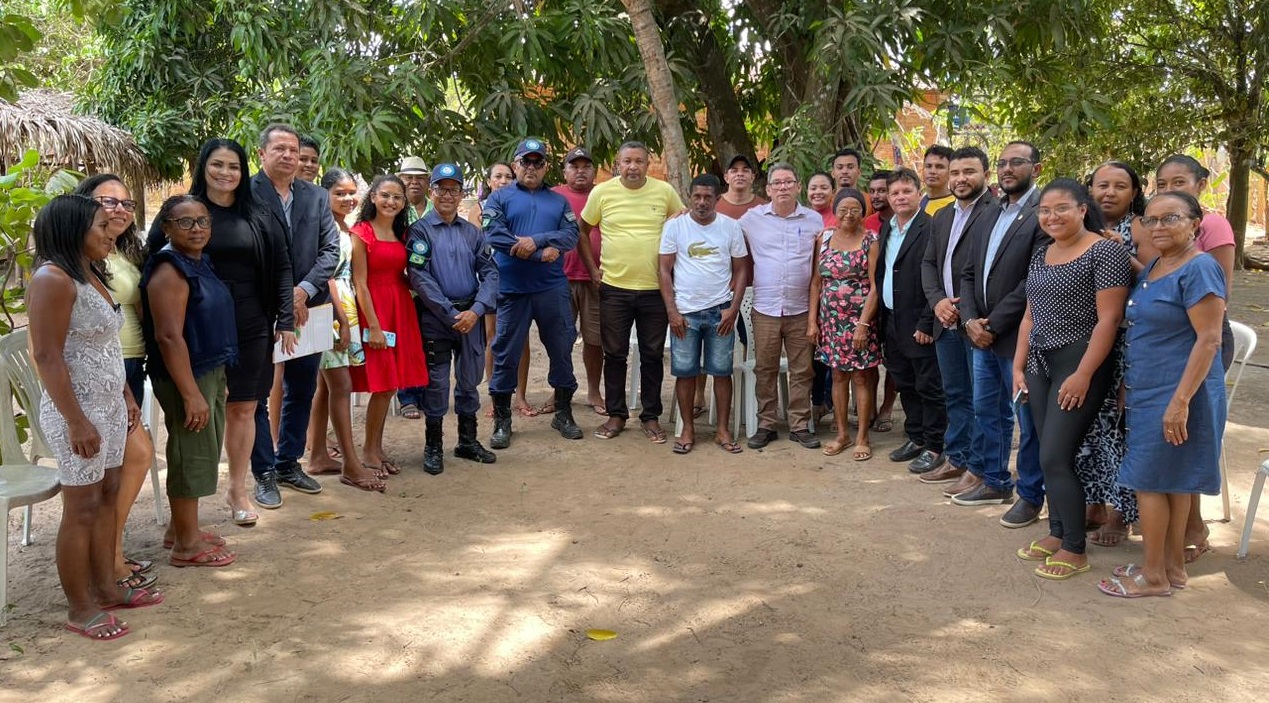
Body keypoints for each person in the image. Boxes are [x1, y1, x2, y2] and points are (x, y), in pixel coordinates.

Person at [28, 195, 161, 641]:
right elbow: (46, 356)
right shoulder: (53, 278)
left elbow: (106, 347)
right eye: (102, 226)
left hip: (107, 405)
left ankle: (106, 586)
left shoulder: (89, 272)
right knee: (81, 507)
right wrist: (76, 421)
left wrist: (126, 396)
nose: (111, 234)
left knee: (107, 495)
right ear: (72, 230)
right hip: (76, 412)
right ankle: (80, 607)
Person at [147, 138, 297, 525]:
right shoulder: (183, 211)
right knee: (197, 412)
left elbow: (282, 267)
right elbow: (154, 262)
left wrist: (285, 319)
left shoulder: (260, 213)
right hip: (196, 327)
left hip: (250, 321)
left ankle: (238, 490)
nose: (225, 173)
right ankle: (188, 512)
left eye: (233, 166)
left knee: (245, 407)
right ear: (203, 167)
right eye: (217, 164)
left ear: (243, 169)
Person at [1100, 191, 1226, 598]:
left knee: (1150, 481)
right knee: (1173, 483)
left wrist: (1180, 401)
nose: (1157, 227)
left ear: (1195, 223)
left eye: (1169, 218)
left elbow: (1208, 340)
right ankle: (1170, 568)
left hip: (1178, 393)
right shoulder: (1157, 263)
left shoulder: (1201, 268)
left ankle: (1152, 576)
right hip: (1149, 388)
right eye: (1151, 220)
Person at [1012, 179, 1130, 580]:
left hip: (1080, 365)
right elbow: (1030, 316)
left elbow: (1109, 319)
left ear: (1083, 209)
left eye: (1062, 208)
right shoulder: (1043, 253)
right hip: (1039, 365)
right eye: (1045, 210)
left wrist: (1083, 373)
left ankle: (1075, 549)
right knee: (1046, 449)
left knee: (1055, 456)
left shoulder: (1105, 251)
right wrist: (1017, 365)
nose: (1052, 217)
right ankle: (1057, 532)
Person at [142, 195, 241, 568]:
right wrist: (191, 393)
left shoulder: (198, 262)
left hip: (207, 370)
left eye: (202, 221)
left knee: (203, 452)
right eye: (185, 222)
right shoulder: (169, 270)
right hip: (187, 375)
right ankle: (186, 545)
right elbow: (169, 337)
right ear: (167, 226)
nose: (196, 228)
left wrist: (216, 381)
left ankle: (181, 530)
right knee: (190, 454)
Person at [953, 142, 1047, 528]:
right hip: (980, 335)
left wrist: (992, 324)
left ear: (1036, 169)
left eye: (1017, 163)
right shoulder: (991, 212)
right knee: (986, 410)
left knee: (1028, 422)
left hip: (1017, 337)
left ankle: (1029, 495)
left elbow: (1033, 280)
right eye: (1003, 163)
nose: (1008, 169)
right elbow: (969, 272)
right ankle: (994, 480)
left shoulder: (1043, 213)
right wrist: (970, 319)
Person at [73, 175, 156, 589]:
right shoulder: (75, 257)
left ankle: (110, 551)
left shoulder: (121, 251)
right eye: (108, 202)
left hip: (127, 367)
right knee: (134, 455)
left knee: (127, 461)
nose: (120, 209)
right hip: (95, 375)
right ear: (83, 206)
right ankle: (106, 556)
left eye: (126, 203)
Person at [250, 123, 339, 508]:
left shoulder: (317, 197)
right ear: (262, 154)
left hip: (309, 308)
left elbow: (330, 252)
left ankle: (289, 461)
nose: (289, 156)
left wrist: (301, 291)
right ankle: (262, 472)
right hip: (257, 308)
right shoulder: (245, 193)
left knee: (302, 387)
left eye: (293, 150)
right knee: (255, 393)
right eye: (280, 149)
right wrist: (281, 297)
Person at [1154, 154, 1237, 564]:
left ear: (1201, 184)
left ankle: (1194, 528)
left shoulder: (1213, 226)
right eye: (1163, 183)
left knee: (1189, 436)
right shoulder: (1159, 228)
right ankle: (1178, 529)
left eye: (1180, 182)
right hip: (1168, 342)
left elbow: (1218, 294)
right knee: (1174, 443)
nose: (1170, 190)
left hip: (1203, 339)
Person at [485, 139, 584, 448]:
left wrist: (537, 239)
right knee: (505, 353)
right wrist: (540, 253)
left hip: (551, 289)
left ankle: (563, 413)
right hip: (512, 288)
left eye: (537, 162)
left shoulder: (557, 201)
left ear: (545, 167)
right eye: (525, 162)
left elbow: (571, 234)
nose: (531, 168)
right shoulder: (499, 198)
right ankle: (503, 420)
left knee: (561, 347)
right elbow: (494, 234)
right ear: (515, 165)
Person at [584, 141, 685, 442]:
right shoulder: (602, 192)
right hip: (614, 288)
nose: (632, 167)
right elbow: (582, 229)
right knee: (614, 354)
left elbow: (683, 225)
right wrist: (592, 269)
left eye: (639, 161)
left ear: (647, 163)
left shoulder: (664, 192)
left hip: (655, 290)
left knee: (652, 355)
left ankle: (651, 417)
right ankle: (617, 416)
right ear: (617, 163)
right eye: (627, 161)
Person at [407, 163, 499, 474]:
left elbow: (490, 273)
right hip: (437, 318)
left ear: (462, 193)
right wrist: (449, 312)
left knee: (470, 379)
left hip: (470, 316)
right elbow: (419, 276)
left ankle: (467, 441)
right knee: (436, 382)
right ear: (431, 191)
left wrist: (476, 311)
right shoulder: (420, 231)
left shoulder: (473, 232)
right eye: (441, 188)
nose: (448, 195)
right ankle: (433, 445)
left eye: (454, 189)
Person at [919, 147, 998, 484]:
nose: (960, 179)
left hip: (976, 321)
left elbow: (988, 272)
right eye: (956, 172)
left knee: (983, 399)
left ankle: (980, 467)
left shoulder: (995, 213)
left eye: (969, 172)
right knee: (956, 394)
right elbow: (929, 263)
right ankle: (957, 457)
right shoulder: (943, 216)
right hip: (945, 320)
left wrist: (963, 310)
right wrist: (938, 302)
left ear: (986, 175)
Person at [1080, 161, 1149, 546]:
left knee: (1119, 431)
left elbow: (1156, 280)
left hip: (1126, 343)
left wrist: (1123, 252)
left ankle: (1121, 513)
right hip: (1087, 341)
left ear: (1134, 192)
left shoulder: (1139, 227)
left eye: (1119, 186)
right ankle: (1094, 502)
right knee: (1090, 427)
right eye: (1101, 185)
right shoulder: (1081, 226)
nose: (1108, 192)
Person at [304, 169, 385, 492]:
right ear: (324, 193)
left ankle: (318, 454)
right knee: (341, 385)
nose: (348, 198)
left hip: (342, 308)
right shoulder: (320, 227)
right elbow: (324, 275)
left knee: (327, 387)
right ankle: (351, 463)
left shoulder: (342, 225)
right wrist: (339, 319)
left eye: (352, 192)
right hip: (329, 310)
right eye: (339, 192)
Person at [658, 173, 749, 454]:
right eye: (696, 196)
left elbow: (741, 269)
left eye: (708, 197)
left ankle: (722, 430)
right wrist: (672, 312)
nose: (701, 202)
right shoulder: (675, 227)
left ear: (717, 197)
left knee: (722, 373)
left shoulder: (730, 228)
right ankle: (687, 429)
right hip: (685, 314)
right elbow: (663, 270)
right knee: (685, 373)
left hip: (720, 313)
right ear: (689, 196)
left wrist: (733, 309)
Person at [739, 162, 823, 450]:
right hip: (765, 309)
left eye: (789, 182)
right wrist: (683, 213)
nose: (783, 187)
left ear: (798, 187)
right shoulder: (752, 219)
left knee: (802, 370)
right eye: (777, 183)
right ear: (768, 189)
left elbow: (820, 266)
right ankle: (766, 424)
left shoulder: (814, 220)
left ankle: (800, 425)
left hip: (801, 309)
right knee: (765, 368)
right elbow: (722, 229)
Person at [350, 175, 430, 473]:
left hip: (400, 308)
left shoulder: (402, 233)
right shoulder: (361, 232)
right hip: (375, 310)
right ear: (372, 197)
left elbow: (406, 273)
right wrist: (372, 325)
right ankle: (369, 451)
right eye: (385, 195)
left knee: (391, 384)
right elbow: (359, 282)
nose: (391, 202)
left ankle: (377, 448)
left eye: (397, 197)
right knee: (381, 385)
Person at [876, 168, 945, 472]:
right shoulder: (887, 228)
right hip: (891, 319)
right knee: (905, 383)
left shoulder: (932, 227)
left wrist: (927, 322)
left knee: (929, 385)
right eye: (895, 193)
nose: (900, 197)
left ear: (919, 194)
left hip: (920, 322)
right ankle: (915, 436)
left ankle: (935, 444)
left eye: (906, 191)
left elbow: (939, 277)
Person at [808, 188, 881, 460]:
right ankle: (842, 434)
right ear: (835, 211)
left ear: (863, 211)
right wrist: (812, 321)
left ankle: (862, 436)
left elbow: (875, 286)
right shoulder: (825, 238)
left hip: (861, 319)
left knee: (861, 376)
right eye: (843, 209)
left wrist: (863, 324)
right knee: (837, 375)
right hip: (830, 320)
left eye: (855, 209)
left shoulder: (870, 239)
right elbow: (816, 283)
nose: (848, 214)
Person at [554, 147, 607, 415]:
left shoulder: (605, 194)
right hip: (559, 279)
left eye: (586, 166)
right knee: (559, 339)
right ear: (565, 172)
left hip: (596, 279)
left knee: (594, 339)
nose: (580, 171)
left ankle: (594, 391)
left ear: (594, 171)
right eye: (574, 166)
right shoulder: (554, 196)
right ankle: (559, 392)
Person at [396, 155, 432, 420]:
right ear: (400, 179)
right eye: (409, 177)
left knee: (431, 343)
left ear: (428, 181)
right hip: (403, 289)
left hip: (433, 290)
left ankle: (429, 394)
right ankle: (408, 397)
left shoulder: (436, 207)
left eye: (419, 177)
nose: (414, 182)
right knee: (408, 344)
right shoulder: (394, 209)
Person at [862, 170, 898, 433]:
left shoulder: (902, 222)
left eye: (882, 190)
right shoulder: (867, 224)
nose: (876, 195)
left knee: (894, 361)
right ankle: (869, 408)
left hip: (895, 301)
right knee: (870, 359)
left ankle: (887, 408)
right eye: (872, 190)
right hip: (868, 301)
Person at [805, 170, 839, 421]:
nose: (818, 192)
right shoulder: (803, 218)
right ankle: (818, 402)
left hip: (834, 299)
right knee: (814, 356)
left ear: (833, 192)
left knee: (832, 358)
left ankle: (828, 402)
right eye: (813, 187)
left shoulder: (841, 219)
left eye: (823, 187)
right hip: (806, 294)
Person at [715, 154, 767, 219]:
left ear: (752, 178)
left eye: (745, 171)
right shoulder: (713, 205)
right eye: (734, 171)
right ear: (726, 178)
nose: (740, 174)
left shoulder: (764, 208)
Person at [920, 145, 955, 215]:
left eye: (940, 167)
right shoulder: (919, 201)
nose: (932, 171)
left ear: (951, 171)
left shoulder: (956, 206)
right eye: (928, 166)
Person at [863, 170, 892, 236]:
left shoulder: (904, 220)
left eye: (881, 191)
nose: (875, 196)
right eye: (872, 191)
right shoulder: (869, 222)